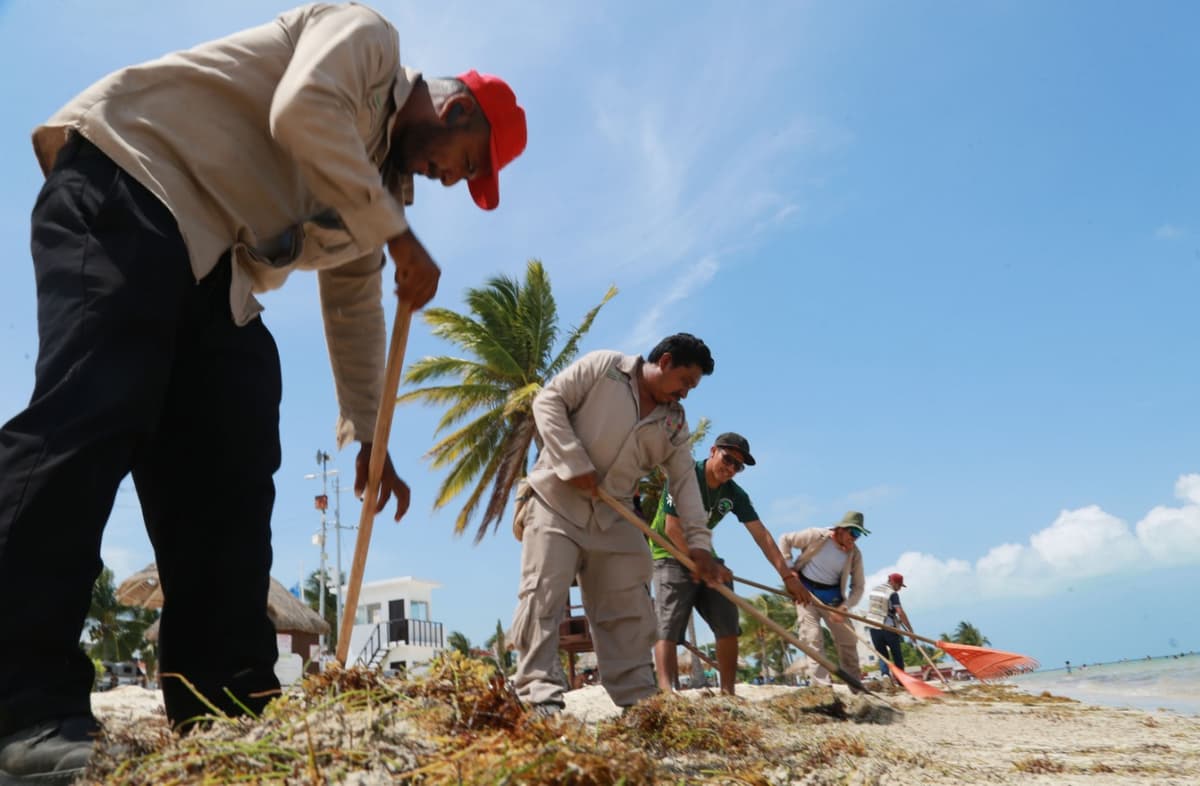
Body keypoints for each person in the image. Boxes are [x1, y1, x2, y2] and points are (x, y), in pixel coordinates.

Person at [0, 3, 527, 779]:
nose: (451, 179)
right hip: (133, 182)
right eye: (467, 162)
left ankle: (224, 705)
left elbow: (354, 302)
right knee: (91, 417)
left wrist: (373, 437)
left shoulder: (375, 193)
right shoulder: (369, 41)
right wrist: (398, 235)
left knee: (234, 448)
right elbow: (303, 107)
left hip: (218, 267)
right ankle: (23, 706)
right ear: (455, 110)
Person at [510, 334, 722, 715]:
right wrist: (573, 462)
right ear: (666, 361)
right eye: (685, 382)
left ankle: (638, 698)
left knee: (629, 600)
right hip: (556, 500)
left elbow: (685, 483)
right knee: (544, 593)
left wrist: (700, 545)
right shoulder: (603, 367)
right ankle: (538, 692)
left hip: (615, 513)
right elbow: (548, 401)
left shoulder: (674, 423)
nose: (685, 394)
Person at [649, 433, 810, 695]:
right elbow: (672, 530)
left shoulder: (734, 494)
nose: (731, 468)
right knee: (667, 626)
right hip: (668, 553)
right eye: (728, 459)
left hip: (705, 555)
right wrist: (705, 564)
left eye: (738, 466)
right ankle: (666, 693)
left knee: (728, 623)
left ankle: (728, 694)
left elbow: (762, 536)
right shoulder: (684, 476)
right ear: (713, 451)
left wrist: (788, 577)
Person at [778, 512, 869, 688]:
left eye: (859, 535)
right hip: (805, 594)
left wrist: (845, 606)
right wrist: (789, 569)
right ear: (840, 530)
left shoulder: (854, 554)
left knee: (848, 641)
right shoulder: (817, 535)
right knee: (812, 639)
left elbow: (858, 586)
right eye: (853, 533)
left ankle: (856, 686)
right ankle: (822, 687)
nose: (855, 539)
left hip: (833, 599)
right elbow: (785, 539)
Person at [865, 572, 912, 687]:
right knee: (897, 655)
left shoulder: (875, 590)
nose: (900, 588)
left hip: (873, 625)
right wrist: (910, 630)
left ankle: (885, 675)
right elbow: (900, 612)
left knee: (882, 655)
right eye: (900, 586)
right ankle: (901, 680)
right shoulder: (892, 594)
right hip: (888, 627)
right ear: (894, 583)